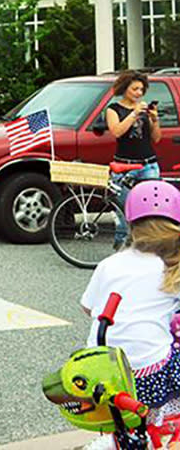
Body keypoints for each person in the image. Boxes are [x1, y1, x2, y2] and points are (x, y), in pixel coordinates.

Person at [81, 181, 180, 413]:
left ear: (129, 223)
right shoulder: (172, 268)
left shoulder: (109, 264)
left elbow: (87, 308)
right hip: (147, 375)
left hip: (99, 373)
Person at [107, 70, 163, 248]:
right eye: (135, 89)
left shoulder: (144, 110)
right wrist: (133, 114)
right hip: (124, 166)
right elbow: (116, 131)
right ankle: (122, 248)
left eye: (141, 89)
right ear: (125, 89)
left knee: (151, 210)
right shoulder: (114, 109)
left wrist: (154, 120)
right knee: (124, 209)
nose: (139, 93)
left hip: (148, 165)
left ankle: (149, 246)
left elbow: (156, 138)